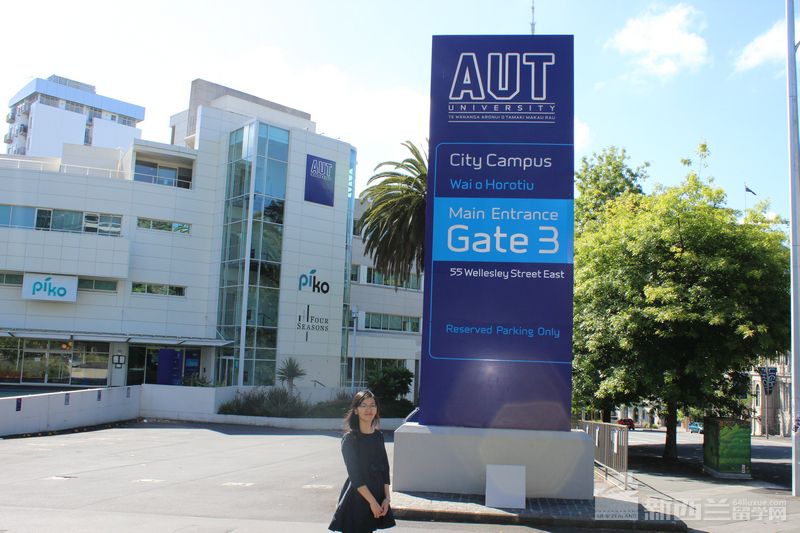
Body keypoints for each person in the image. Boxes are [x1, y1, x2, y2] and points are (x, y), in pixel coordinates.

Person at [329, 390, 396, 532]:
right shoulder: (350, 439)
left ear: (377, 409)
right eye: (363, 405)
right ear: (356, 410)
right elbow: (355, 476)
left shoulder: (378, 436)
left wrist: (387, 498)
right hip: (357, 498)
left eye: (372, 405)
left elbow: (385, 468)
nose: (368, 409)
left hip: (377, 495)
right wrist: (372, 502)